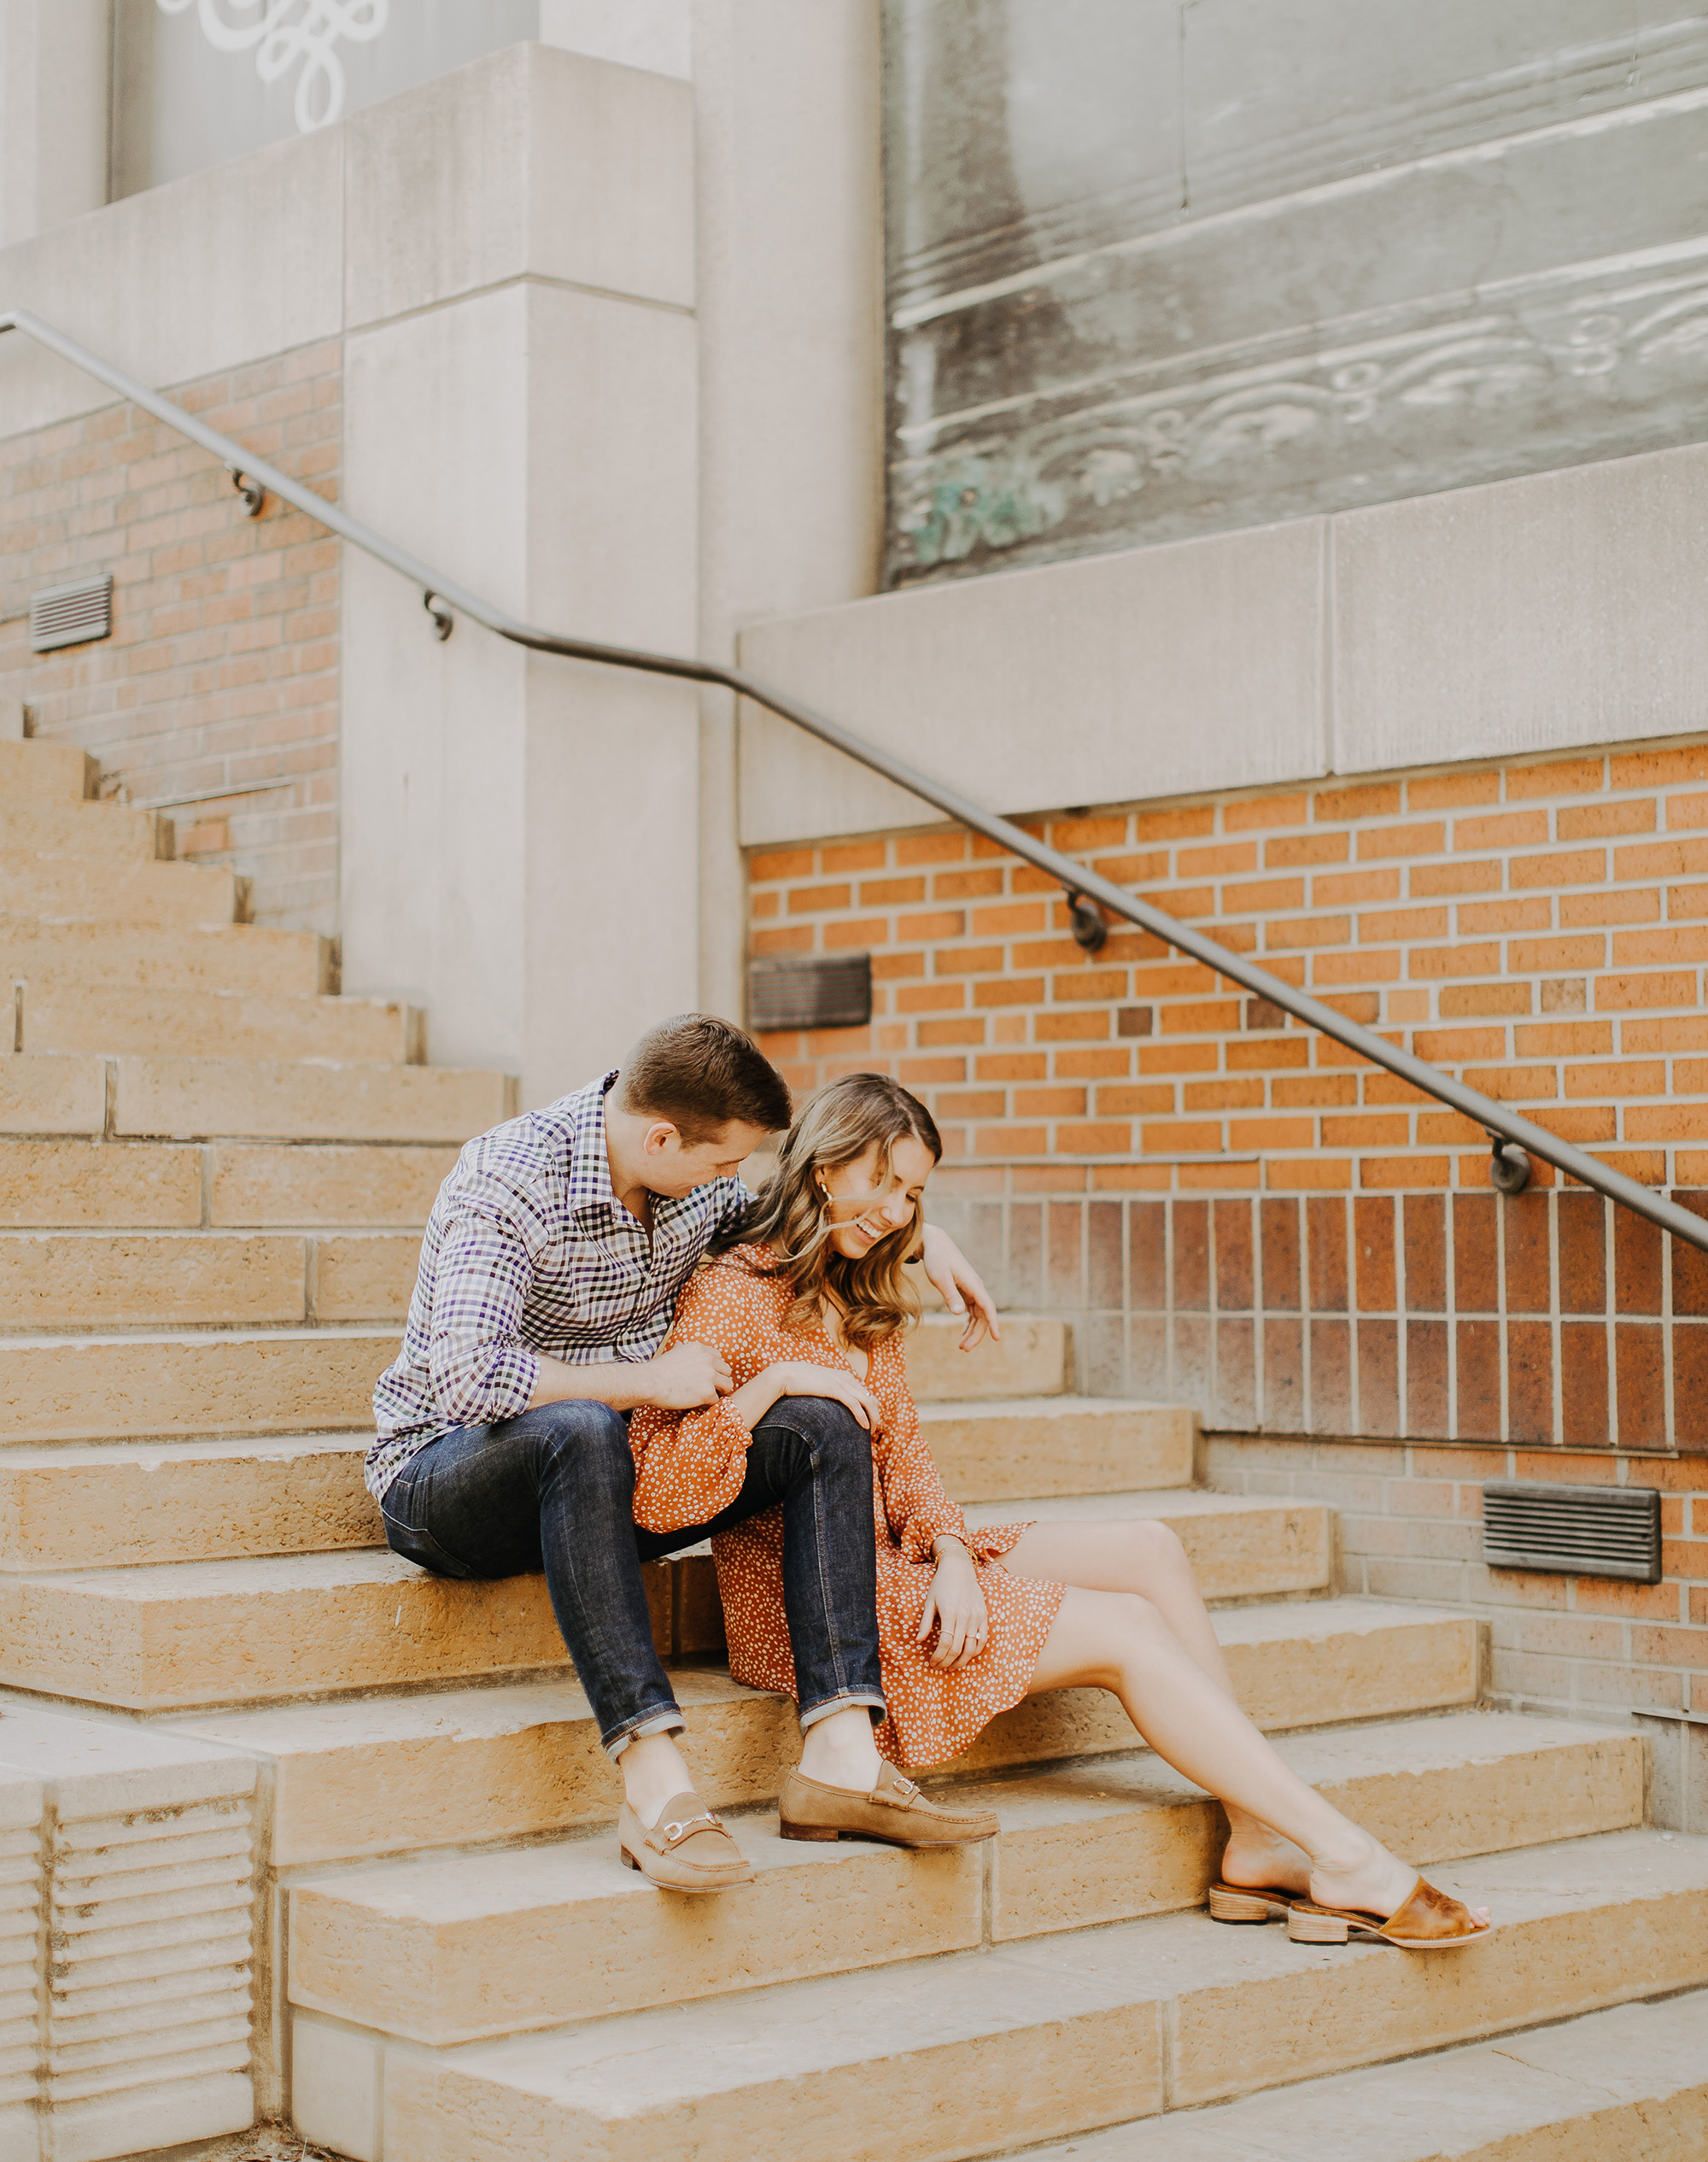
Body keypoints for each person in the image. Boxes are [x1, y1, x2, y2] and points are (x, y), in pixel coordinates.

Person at [628, 1071, 1493, 1948]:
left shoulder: (855, 1290)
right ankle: (1342, 1854)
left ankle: (1258, 1834)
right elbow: (657, 1491)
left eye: (914, 1193)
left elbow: (910, 1463)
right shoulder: (730, 1294)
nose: (897, 1213)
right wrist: (769, 1387)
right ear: (824, 1167)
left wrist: (957, 1557)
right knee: (1123, 1628)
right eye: (883, 1183)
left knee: (1150, 1548)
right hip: (816, 1605)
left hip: (904, 1556)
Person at [366, 1016, 1003, 1891]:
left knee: (821, 1414)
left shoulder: (690, 1180)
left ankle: (840, 1756)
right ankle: (654, 1777)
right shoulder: (507, 1177)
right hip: (447, 1476)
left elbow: (791, 1211)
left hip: (610, 1485)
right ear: (660, 1136)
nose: (728, 1184)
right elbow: (470, 1381)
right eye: (718, 1165)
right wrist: (644, 1379)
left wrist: (926, 1237)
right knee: (583, 1424)